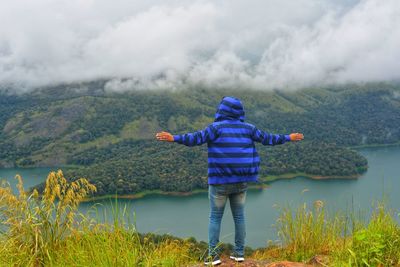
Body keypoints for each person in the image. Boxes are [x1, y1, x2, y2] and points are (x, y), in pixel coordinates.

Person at [156, 96, 304, 266]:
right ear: (240, 112)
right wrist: (288, 137)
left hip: (219, 181)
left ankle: (213, 256)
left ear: (221, 110)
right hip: (241, 181)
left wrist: (174, 138)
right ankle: (239, 253)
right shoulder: (249, 128)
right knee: (239, 216)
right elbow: (268, 138)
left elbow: (195, 138)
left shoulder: (216, 128)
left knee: (215, 218)